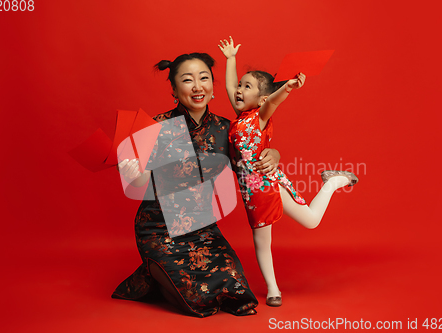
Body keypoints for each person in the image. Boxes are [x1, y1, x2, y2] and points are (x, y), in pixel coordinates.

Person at [112, 52, 282, 317]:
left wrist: (273, 154)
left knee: (236, 291)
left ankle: (156, 272)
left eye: (204, 78)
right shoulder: (157, 127)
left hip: (203, 229)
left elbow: (249, 163)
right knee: (197, 299)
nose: (197, 86)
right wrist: (132, 171)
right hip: (159, 228)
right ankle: (154, 271)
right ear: (174, 90)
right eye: (187, 80)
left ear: (213, 86)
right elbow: (142, 184)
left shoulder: (227, 129)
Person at [218, 37, 358, 307]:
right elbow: (227, 85)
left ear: (260, 98)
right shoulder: (239, 117)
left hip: (269, 186)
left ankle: (333, 181)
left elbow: (274, 101)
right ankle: (273, 289)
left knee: (311, 222)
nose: (238, 89)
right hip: (251, 193)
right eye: (240, 85)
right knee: (261, 240)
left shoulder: (260, 116)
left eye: (246, 87)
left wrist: (289, 88)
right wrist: (230, 59)